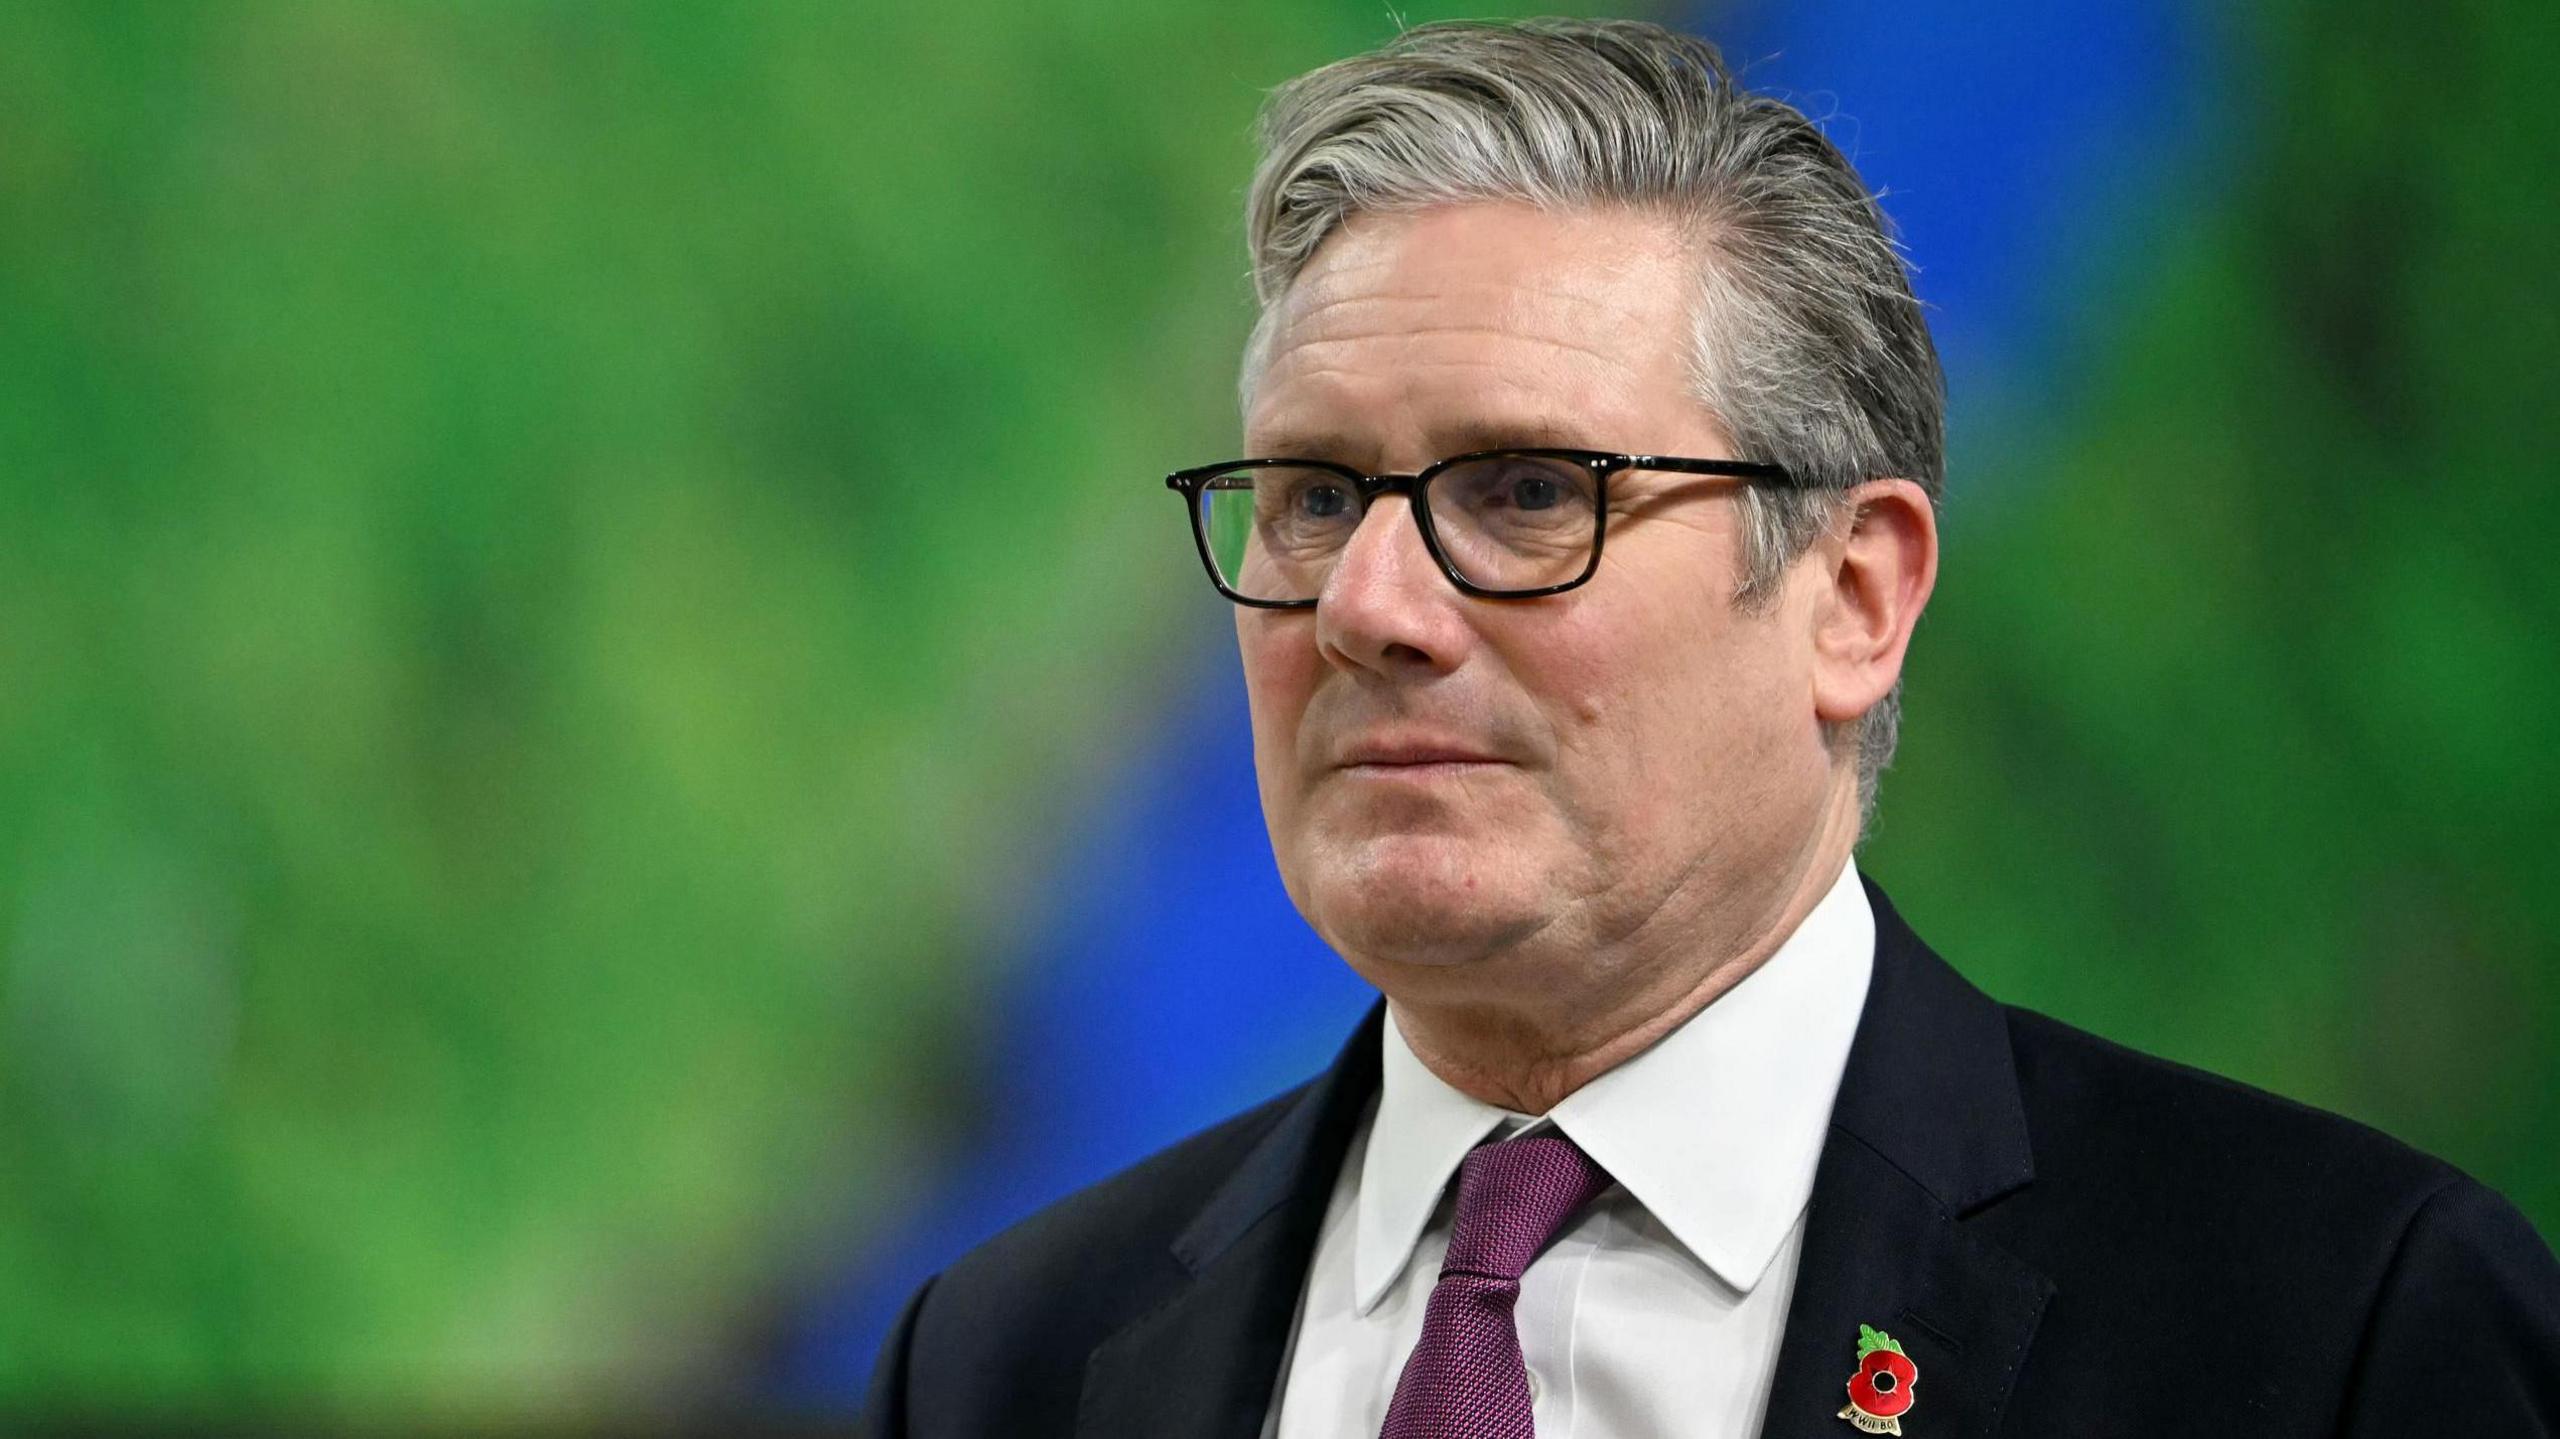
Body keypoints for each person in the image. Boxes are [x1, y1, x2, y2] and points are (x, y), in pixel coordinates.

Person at [858, 18, 2560, 1437]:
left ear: (1854, 596)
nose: (1367, 603)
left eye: (1528, 491)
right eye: (1308, 498)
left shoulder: (2340, 1328)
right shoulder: (1000, 1362)